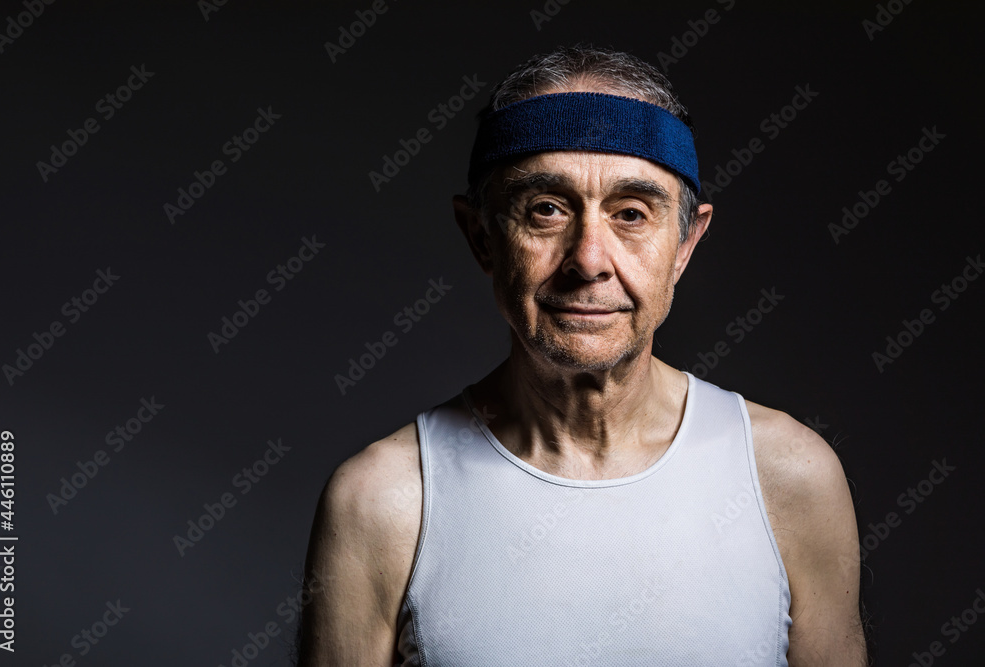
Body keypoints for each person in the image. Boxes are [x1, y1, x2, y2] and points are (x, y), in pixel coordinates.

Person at [296, 45, 868, 666]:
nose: (589, 260)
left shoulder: (789, 477)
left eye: (631, 214)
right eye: (546, 209)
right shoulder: (383, 500)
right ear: (482, 237)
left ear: (685, 243)